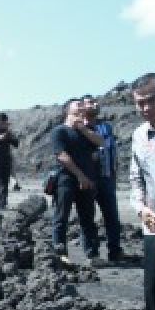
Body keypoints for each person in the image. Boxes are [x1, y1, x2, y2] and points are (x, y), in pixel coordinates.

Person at [129, 73, 155, 310]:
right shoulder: (139, 136)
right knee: (152, 288)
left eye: (150, 101)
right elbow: (136, 179)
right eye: (139, 104)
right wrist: (141, 209)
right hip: (154, 224)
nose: (145, 109)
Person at [51, 98, 101, 263]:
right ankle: (60, 253)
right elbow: (62, 156)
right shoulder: (60, 131)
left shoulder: (85, 131)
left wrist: (83, 128)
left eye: (82, 104)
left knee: (88, 218)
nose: (82, 106)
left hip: (86, 181)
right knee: (61, 217)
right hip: (66, 179)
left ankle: (92, 254)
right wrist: (80, 175)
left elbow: (101, 142)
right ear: (67, 110)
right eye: (78, 104)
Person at [82, 94, 124, 261]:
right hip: (88, 179)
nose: (95, 104)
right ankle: (92, 253)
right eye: (90, 102)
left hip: (106, 177)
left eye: (95, 101)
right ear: (82, 108)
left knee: (112, 216)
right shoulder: (78, 129)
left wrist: (114, 173)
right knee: (88, 217)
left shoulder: (106, 127)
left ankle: (115, 251)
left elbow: (112, 151)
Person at [0, 113, 19, 209]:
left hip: (6, 160)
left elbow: (16, 144)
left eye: (5, 123)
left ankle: (3, 202)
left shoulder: (8, 132)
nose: (3, 125)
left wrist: (10, 137)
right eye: (1, 123)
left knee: (5, 182)